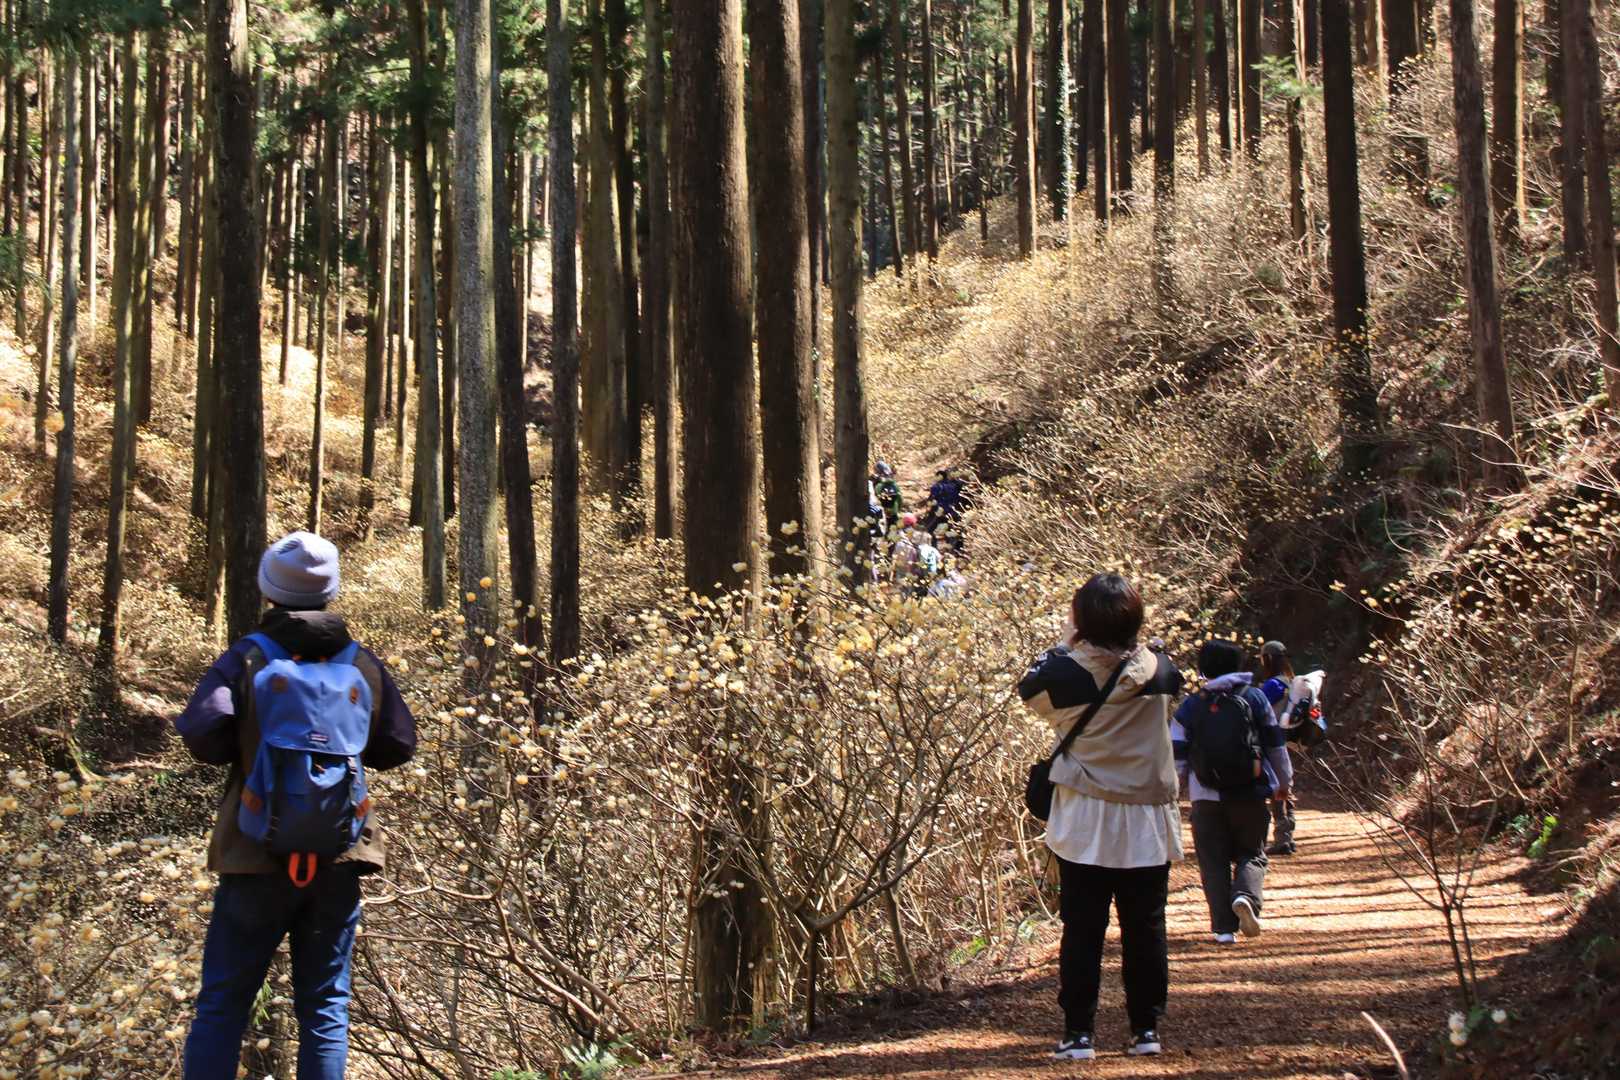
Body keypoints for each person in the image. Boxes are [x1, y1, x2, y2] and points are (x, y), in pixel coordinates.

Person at [176, 532, 417, 1079]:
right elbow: (398, 746)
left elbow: (203, 737)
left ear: (269, 590)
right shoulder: (362, 664)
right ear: (330, 592)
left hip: (253, 852)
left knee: (223, 1004)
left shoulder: (246, 658)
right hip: (339, 853)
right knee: (326, 1007)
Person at [1018, 574, 1185, 1061]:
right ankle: (1146, 1029)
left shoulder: (1063, 677)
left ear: (1083, 621)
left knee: (1083, 927)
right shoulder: (1161, 670)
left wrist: (1065, 643)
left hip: (1086, 816)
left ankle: (1078, 1034)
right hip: (1147, 818)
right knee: (1146, 925)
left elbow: (1030, 687)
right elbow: (1166, 680)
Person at [1172, 639, 1292, 945]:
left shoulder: (1192, 705)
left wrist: (1175, 789)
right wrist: (1283, 783)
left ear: (1203, 668)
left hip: (1205, 796)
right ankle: (1246, 897)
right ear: (1238, 665)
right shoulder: (1255, 697)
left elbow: (1177, 754)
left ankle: (1224, 930)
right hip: (1250, 792)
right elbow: (1274, 744)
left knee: (1212, 861)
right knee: (1253, 853)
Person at [924, 467, 969, 552]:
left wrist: (930, 511)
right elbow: (965, 499)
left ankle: (933, 549)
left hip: (941, 512)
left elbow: (931, 498)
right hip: (953, 513)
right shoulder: (960, 485)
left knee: (930, 530)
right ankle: (956, 551)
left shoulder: (940, 485)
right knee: (955, 533)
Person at [870, 460, 903, 536]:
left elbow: (875, 496)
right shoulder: (894, 485)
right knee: (893, 528)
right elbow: (900, 498)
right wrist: (898, 509)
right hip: (893, 510)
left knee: (883, 528)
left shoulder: (877, 484)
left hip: (881, 510)